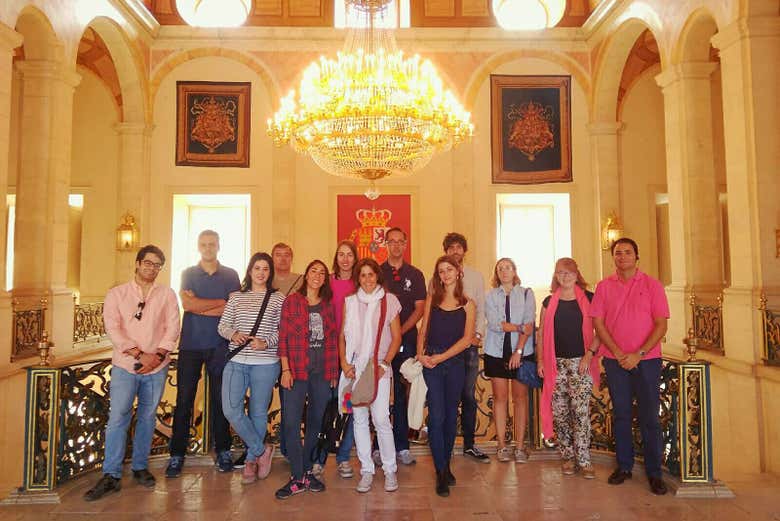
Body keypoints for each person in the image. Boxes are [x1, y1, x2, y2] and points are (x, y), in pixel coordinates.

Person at [84, 245, 180, 501]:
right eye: (148, 263)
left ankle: (140, 467)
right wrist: (140, 355)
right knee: (118, 417)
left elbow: (173, 327)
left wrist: (157, 356)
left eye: (157, 265)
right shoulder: (117, 294)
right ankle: (112, 475)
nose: (152, 268)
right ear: (137, 264)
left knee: (148, 417)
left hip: (157, 367)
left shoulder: (167, 294)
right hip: (126, 366)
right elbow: (113, 329)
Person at [590, 238, 670, 495]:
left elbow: (661, 324)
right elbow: (598, 324)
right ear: (613, 258)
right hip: (615, 361)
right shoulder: (604, 286)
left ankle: (654, 473)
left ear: (637, 257)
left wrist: (639, 353)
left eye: (627, 252)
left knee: (650, 418)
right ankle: (623, 467)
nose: (622, 256)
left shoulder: (652, 285)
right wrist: (617, 352)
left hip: (647, 361)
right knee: (621, 415)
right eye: (618, 253)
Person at [166, 230, 240, 478]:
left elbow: (233, 309)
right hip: (190, 345)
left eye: (212, 244)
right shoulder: (188, 273)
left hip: (220, 345)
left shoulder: (231, 275)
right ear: (198, 247)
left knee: (221, 401)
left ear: (219, 246)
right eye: (203, 244)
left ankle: (223, 451)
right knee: (184, 400)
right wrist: (218, 303)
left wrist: (201, 305)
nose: (208, 248)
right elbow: (188, 306)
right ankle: (177, 454)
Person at [218, 252, 285, 485]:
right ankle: (260, 449)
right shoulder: (235, 297)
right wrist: (234, 334)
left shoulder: (278, 299)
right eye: (257, 268)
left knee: (258, 412)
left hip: (265, 363)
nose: (261, 273)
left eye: (265, 269)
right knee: (231, 409)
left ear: (270, 272)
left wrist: (266, 342)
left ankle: (250, 461)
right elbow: (223, 325)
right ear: (249, 270)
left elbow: (283, 330)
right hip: (237, 361)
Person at [275, 260, 339, 499]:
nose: (318, 275)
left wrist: (333, 373)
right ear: (306, 275)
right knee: (291, 422)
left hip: (322, 373)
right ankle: (297, 474)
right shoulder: (292, 302)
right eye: (313, 270)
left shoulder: (328, 306)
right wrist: (285, 369)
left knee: (315, 421)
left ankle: (305, 473)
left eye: (322, 273)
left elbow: (332, 341)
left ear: (325, 279)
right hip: (296, 371)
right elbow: (283, 337)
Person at [339, 258, 402, 493]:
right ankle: (366, 470)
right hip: (355, 368)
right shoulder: (350, 302)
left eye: (371, 274)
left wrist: (385, 363)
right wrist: (345, 363)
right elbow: (343, 336)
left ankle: (389, 469)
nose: (367, 279)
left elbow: (396, 337)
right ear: (358, 278)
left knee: (381, 418)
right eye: (363, 275)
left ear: (378, 276)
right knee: (359, 419)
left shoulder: (389, 300)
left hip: (379, 367)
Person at [416, 255, 476, 497]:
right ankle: (441, 471)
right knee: (436, 417)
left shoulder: (468, 304)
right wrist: (421, 354)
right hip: (432, 364)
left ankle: (446, 466)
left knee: (451, 417)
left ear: (458, 271)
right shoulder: (432, 299)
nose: (445, 274)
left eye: (449, 269)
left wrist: (441, 358)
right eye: (441, 271)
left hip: (455, 364)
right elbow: (423, 330)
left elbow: (466, 340)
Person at [537, 257, 601, 479]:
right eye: (560, 273)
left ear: (576, 274)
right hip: (555, 365)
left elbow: (601, 331)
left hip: (581, 364)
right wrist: (541, 361)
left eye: (568, 272)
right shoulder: (548, 302)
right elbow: (541, 334)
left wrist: (589, 355)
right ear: (555, 276)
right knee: (561, 414)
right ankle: (566, 456)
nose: (564, 277)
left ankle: (584, 460)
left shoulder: (590, 299)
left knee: (580, 414)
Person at [377, 227, 425, 466]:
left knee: (404, 392)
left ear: (405, 245)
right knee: (380, 393)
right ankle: (379, 446)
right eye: (391, 242)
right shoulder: (376, 272)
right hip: (381, 343)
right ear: (385, 244)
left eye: (400, 242)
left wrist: (401, 331)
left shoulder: (415, 274)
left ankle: (402, 445)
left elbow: (420, 308)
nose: (395, 246)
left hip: (406, 341)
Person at [313, 240, 359, 479]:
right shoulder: (326, 282)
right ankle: (319, 458)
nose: (345, 259)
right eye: (340, 254)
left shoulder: (361, 283)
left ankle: (343, 458)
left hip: (353, 355)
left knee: (349, 408)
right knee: (325, 408)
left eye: (349, 255)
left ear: (355, 258)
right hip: (328, 354)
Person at [441, 232, 488, 463]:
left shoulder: (476, 277)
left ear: (464, 251)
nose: (455, 251)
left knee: (468, 395)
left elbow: (481, 308)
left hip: (468, 345)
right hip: (444, 346)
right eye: (451, 247)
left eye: (459, 247)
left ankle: (469, 444)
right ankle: (446, 443)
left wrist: (478, 334)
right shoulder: (438, 277)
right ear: (446, 251)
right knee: (446, 396)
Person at [484, 258, 535, 463]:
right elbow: (496, 324)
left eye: (508, 268)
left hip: (522, 352)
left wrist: (519, 351)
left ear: (514, 271)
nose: (504, 271)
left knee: (520, 399)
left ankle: (520, 446)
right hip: (495, 352)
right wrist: (519, 327)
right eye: (500, 268)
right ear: (497, 273)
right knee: (500, 398)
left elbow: (529, 324)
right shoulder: (490, 296)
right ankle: (502, 446)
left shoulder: (526, 293)